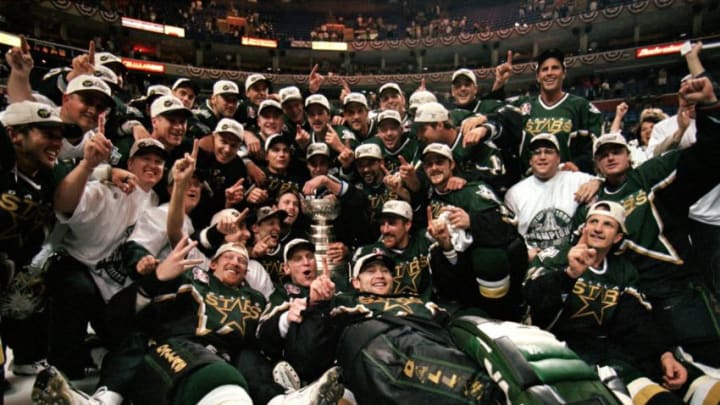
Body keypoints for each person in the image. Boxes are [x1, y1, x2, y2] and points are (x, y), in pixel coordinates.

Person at [34, 241, 344, 405]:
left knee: (250, 356)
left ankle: (282, 401)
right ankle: (104, 401)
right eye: (228, 256)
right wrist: (153, 281)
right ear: (211, 263)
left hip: (230, 357)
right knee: (138, 338)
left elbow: (265, 339)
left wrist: (289, 320)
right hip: (176, 351)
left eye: (242, 259)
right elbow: (116, 319)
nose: (236, 261)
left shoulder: (257, 298)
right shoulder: (187, 279)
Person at [575, 75, 720, 367]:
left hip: (677, 291)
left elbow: (710, 157)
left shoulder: (649, 175)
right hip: (631, 303)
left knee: (711, 364)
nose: (611, 157)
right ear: (596, 164)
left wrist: (710, 107)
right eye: (603, 154)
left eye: (616, 150)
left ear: (629, 155)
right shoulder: (591, 205)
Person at [525, 201, 720, 404]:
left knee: (708, 389)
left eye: (608, 224)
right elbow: (533, 299)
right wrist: (569, 275)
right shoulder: (555, 256)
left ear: (617, 237)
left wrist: (664, 354)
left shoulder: (623, 270)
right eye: (593, 221)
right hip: (565, 352)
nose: (598, 229)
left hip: (613, 350)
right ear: (584, 228)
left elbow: (636, 321)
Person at [279, 246, 508, 404]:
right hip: (379, 355)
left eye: (385, 270)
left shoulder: (420, 302)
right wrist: (318, 305)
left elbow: (457, 326)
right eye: (370, 271)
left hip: (435, 349)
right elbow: (304, 356)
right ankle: (483, 392)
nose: (379, 275)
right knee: (369, 335)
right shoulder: (344, 302)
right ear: (355, 282)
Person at [46, 137, 166, 379]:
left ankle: (92, 349)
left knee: (130, 339)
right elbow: (65, 205)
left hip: (111, 283)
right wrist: (94, 168)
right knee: (76, 288)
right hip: (77, 265)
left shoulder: (154, 201)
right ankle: (60, 367)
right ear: (130, 163)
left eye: (159, 161)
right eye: (146, 159)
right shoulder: (107, 188)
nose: (153, 165)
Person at [0, 101, 71, 379]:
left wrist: (108, 171)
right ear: (14, 135)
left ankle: (27, 351)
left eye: (59, 136)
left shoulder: (49, 174)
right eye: (47, 134)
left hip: (15, 275)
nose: (57, 142)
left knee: (38, 273)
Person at [504, 133, 599, 256]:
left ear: (558, 158)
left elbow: (608, 184)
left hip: (570, 259)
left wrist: (597, 182)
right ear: (530, 160)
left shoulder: (578, 180)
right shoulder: (514, 194)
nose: (542, 157)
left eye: (548, 152)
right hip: (533, 264)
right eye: (537, 152)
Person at [517, 48, 602, 173]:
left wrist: (578, 164)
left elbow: (597, 147)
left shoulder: (580, 106)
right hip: (530, 183)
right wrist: (499, 84)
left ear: (564, 73)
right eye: (544, 69)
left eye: (555, 68)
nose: (549, 73)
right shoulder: (524, 106)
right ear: (538, 77)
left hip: (568, 182)